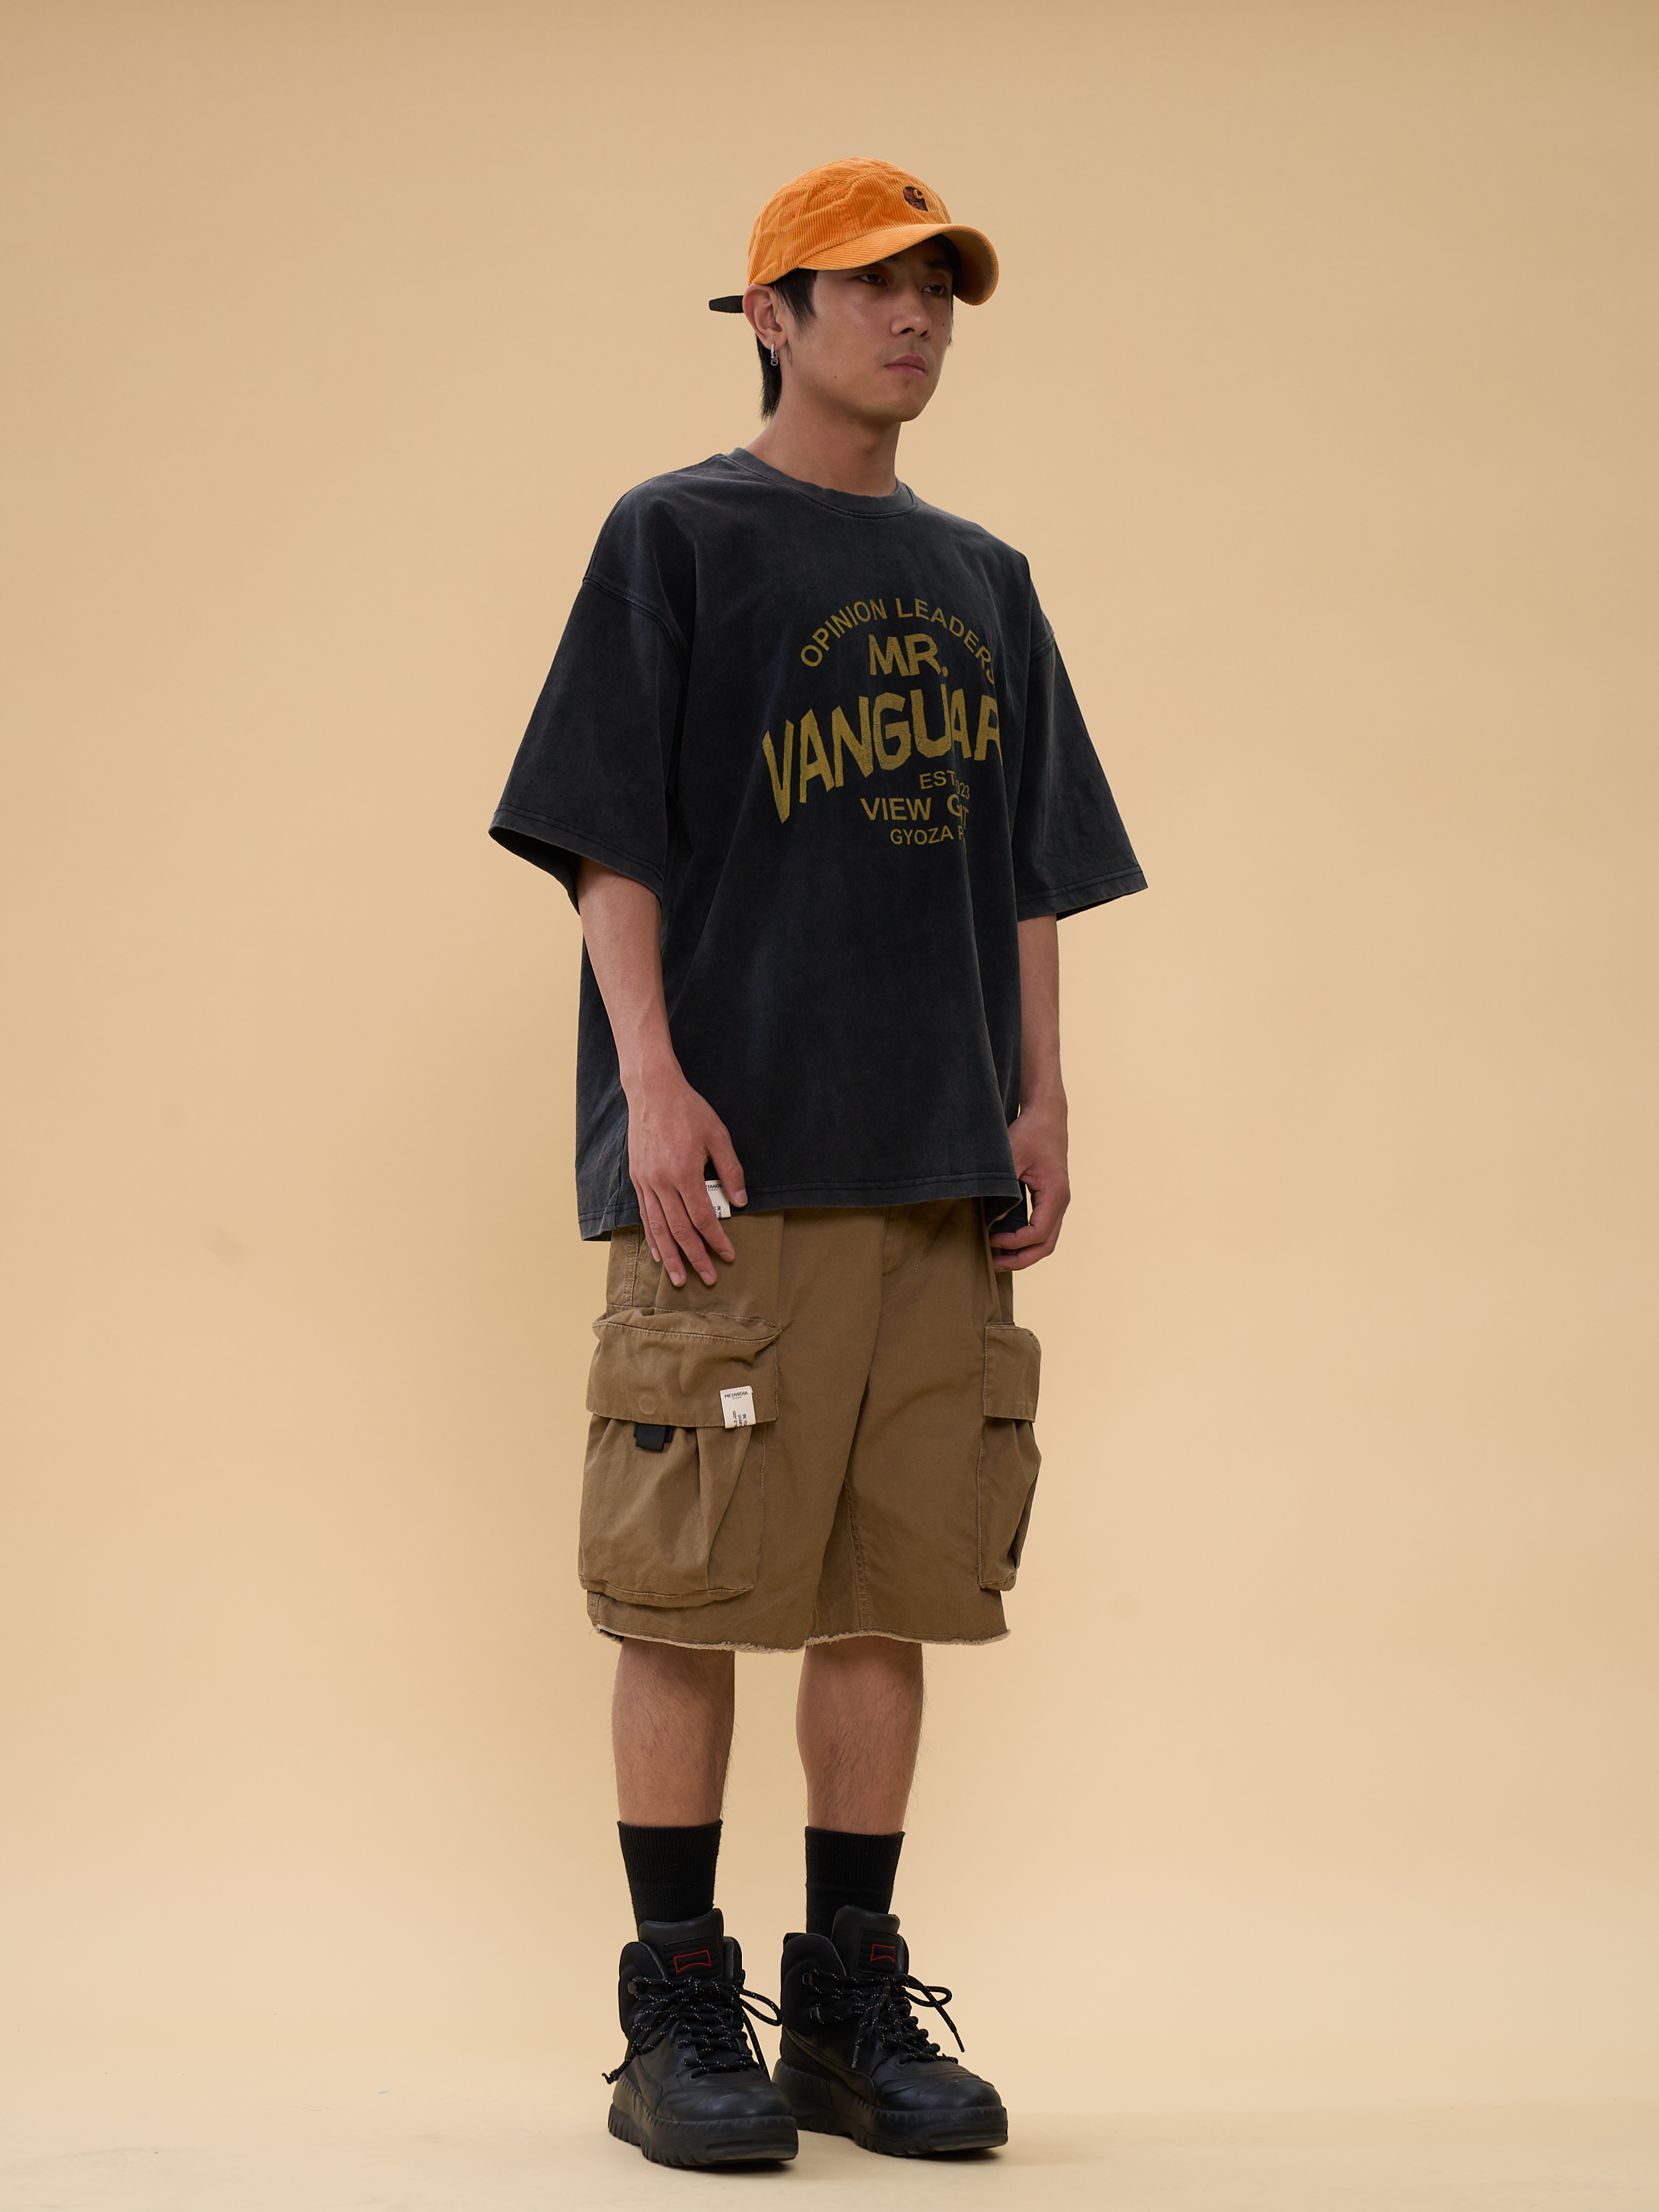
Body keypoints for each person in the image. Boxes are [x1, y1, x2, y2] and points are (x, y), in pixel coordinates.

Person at [490, 156, 1145, 2169]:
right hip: (736, 1166)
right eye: (870, 284)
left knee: (892, 1591)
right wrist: (653, 1082)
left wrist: (1039, 1099)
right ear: (770, 314)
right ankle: (676, 2008)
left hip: (935, 1167)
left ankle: (847, 2005)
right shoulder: (678, 536)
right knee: (684, 1589)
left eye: (936, 285)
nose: (914, 314)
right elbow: (608, 836)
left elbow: (1028, 874)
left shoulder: (985, 577)